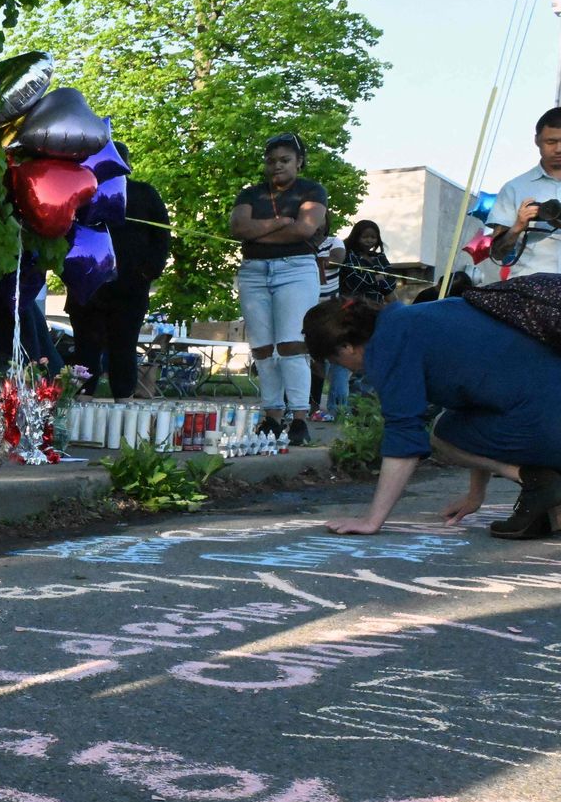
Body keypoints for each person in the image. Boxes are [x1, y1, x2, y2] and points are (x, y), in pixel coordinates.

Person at [305, 297, 561, 539]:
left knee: (441, 433)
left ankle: (536, 480)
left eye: (334, 361)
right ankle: (548, 499)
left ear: (346, 347)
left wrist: (372, 520)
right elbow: (477, 410)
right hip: (546, 404)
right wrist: (475, 495)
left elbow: (404, 435)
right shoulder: (416, 317)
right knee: (451, 424)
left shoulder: (388, 345)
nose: (343, 368)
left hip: (548, 418)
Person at [229, 131, 327, 445]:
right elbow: (238, 228)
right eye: (270, 161)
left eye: (284, 160)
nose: (276, 167)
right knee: (261, 346)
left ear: (299, 161)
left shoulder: (312, 190)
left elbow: (305, 229)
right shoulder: (250, 194)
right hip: (254, 271)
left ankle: (299, 417)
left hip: (296, 270)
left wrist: (259, 234)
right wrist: (280, 223)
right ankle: (271, 414)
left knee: (291, 344)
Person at [73, 147, 170, 399]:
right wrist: (72, 274)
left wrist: (147, 272)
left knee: (124, 349)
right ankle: (81, 404)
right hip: (89, 286)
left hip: (130, 289)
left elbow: (162, 238)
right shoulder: (83, 191)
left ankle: (123, 403)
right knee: (85, 349)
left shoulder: (143, 193)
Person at [485, 107, 561, 279]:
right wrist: (518, 226)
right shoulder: (515, 188)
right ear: (537, 140)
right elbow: (497, 254)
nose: (558, 149)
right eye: (551, 142)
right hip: (531, 287)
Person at [307, 229, 349, 421]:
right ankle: (309, 404)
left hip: (330, 309)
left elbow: (337, 260)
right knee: (312, 358)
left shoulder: (334, 242)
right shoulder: (300, 240)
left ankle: (337, 408)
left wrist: (317, 260)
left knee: (335, 357)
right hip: (305, 305)